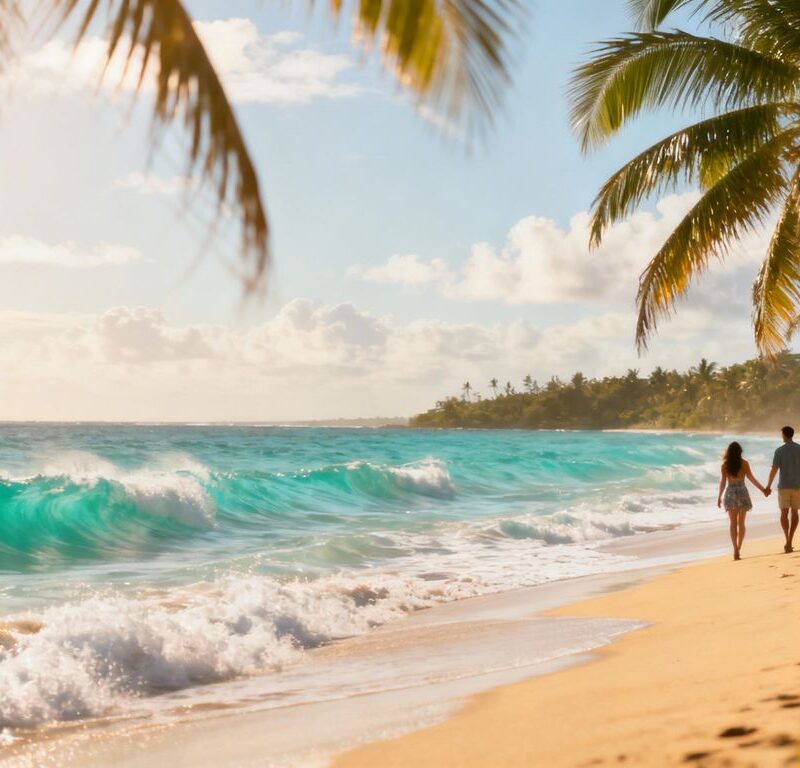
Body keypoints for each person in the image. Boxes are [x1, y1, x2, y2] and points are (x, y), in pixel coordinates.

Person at [717, 441, 769, 561]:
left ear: (728, 452)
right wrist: (763, 490)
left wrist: (719, 496)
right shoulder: (744, 463)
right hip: (742, 492)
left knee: (733, 523)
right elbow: (751, 478)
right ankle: (739, 548)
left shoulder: (725, 465)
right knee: (741, 523)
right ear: (740, 451)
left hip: (730, 493)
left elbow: (723, 482)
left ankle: (735, 549)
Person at [765, 425, 800, 553]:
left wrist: (768, 486)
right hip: (798, 486)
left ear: (785, 435)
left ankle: (787, 540)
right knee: (795, 512)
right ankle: (790, 540)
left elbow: (774, 469)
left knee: (784, 513)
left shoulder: (779, 451)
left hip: (784, 486)